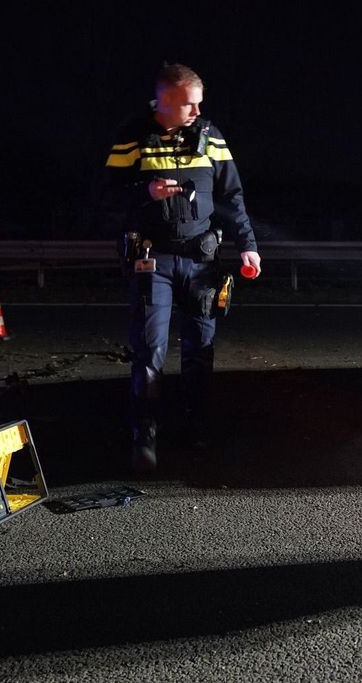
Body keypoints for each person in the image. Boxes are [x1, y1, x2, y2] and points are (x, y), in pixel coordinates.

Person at [103, 63, 261, 472]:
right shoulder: (133, 136)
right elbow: (106, 195)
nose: (196, 112)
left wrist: (248, 246)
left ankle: (197, 428)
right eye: (189, 104)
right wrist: (146, 191)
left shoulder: (211, 137)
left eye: (199, 104)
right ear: (166, 102)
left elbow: (232, 196)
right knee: (150, 351)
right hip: (151, 260)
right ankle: (145, 436)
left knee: (199, 350)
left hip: (202, 261)